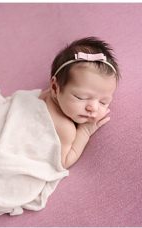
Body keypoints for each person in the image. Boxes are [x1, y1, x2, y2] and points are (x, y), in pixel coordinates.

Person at [41, 37, 119, 168]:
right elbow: (63, 162)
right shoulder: (65, 128)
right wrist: (85, 132)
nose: (93, 108)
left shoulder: (45, 95)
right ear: (54, 87)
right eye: (81, 97)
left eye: (103, 102)